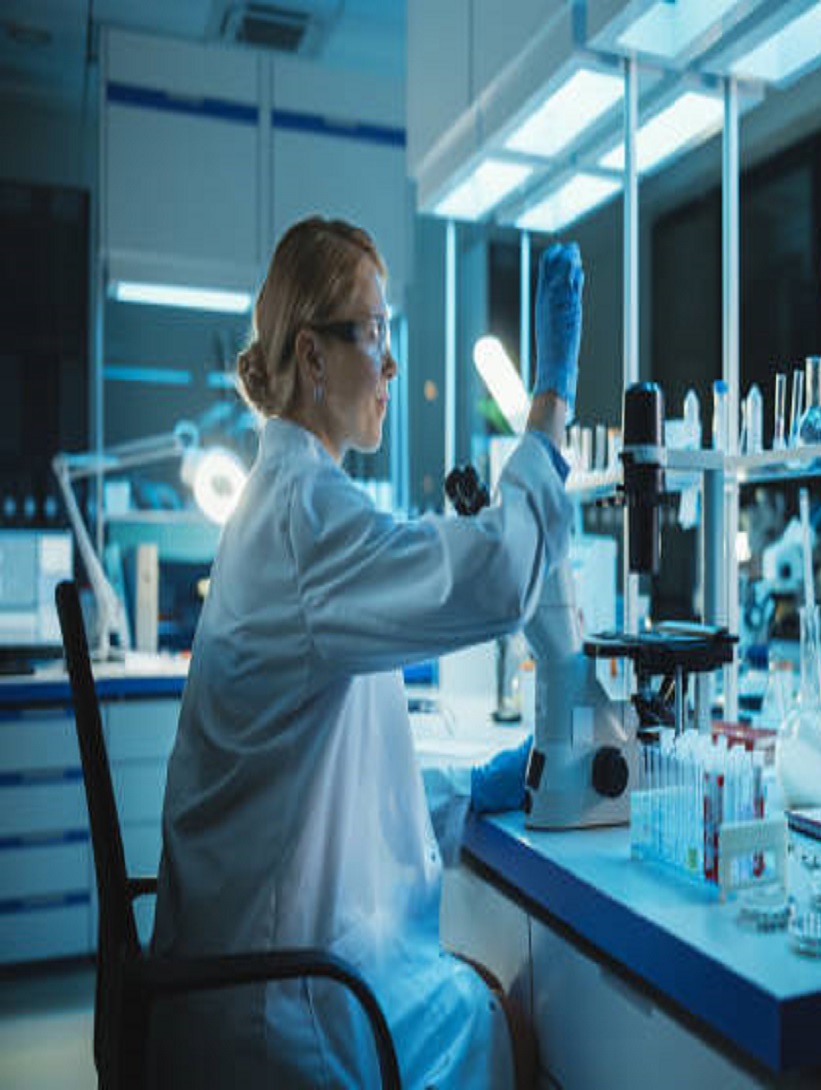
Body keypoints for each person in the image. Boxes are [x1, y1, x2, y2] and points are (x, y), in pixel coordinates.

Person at [147, 216, 584, 1088]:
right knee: (513, 1020)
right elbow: (498, 575)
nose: (390, 365)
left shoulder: (283, 502)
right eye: (375, 333)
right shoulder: (306, 516)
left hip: (256, 965)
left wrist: (465, 791)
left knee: (481, 993)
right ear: (311, 357)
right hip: (282, 1007)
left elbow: (315, 801)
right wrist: (550, 406)